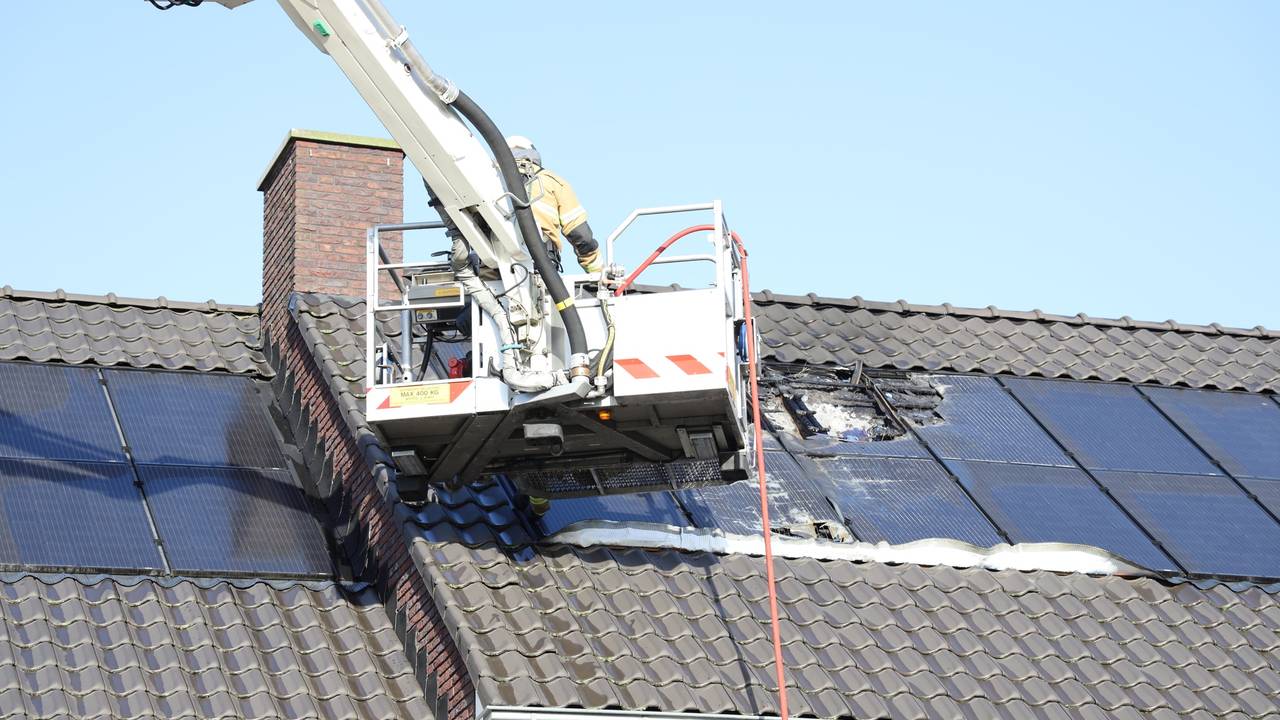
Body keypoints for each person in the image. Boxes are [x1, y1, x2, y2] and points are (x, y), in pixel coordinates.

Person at [506, 136, 603, 273]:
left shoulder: (485, 181)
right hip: (540, 266)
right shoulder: (552, 181)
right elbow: (581, 235)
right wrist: (597, 272)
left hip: (487, 275)